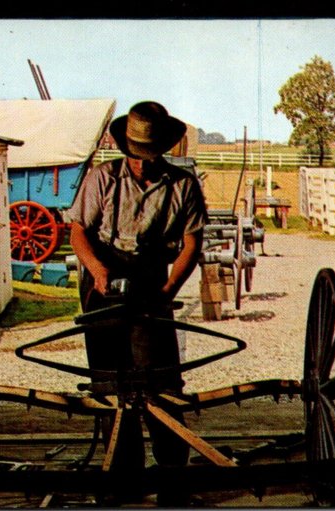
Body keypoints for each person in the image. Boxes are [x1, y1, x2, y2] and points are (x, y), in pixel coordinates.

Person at [66, 101, 207, 477]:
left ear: (162, 149)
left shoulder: (182, 185)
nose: (141, 162)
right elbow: (78, 230)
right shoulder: (102, 178)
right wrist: (96, 269)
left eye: (149, 154)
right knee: (111, 379)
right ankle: (123, 463)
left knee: (158, 375)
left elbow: (192, 242)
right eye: (135, 154)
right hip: (103, 275)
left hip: (150, 279)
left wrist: (169, 288)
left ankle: (172, 459)